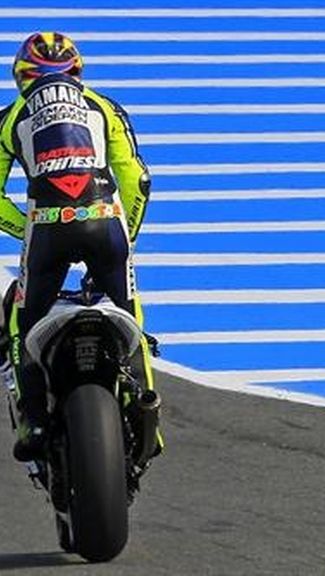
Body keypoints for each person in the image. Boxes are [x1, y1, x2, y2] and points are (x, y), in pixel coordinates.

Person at [0, 32, 159, 462]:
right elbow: (138, 180)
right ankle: (147, 407)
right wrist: (128, 235)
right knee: (130, 313)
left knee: (21, 322)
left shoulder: (10, 117)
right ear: (77, 71)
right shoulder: (105, 107)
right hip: (107, 223)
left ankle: (33, 421)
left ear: (21, 77)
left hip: (46, 231)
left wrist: (24, 228)